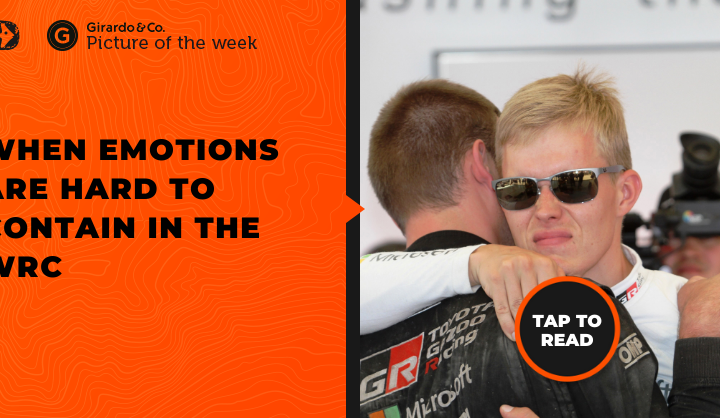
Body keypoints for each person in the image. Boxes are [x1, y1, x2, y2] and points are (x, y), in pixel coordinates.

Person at [360, 69, 720, 412]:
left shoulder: (696, 313)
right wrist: (474, 259)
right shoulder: (483, 307)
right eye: (520, 190)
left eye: (573, 184)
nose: (545, 210)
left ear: (624, 193)